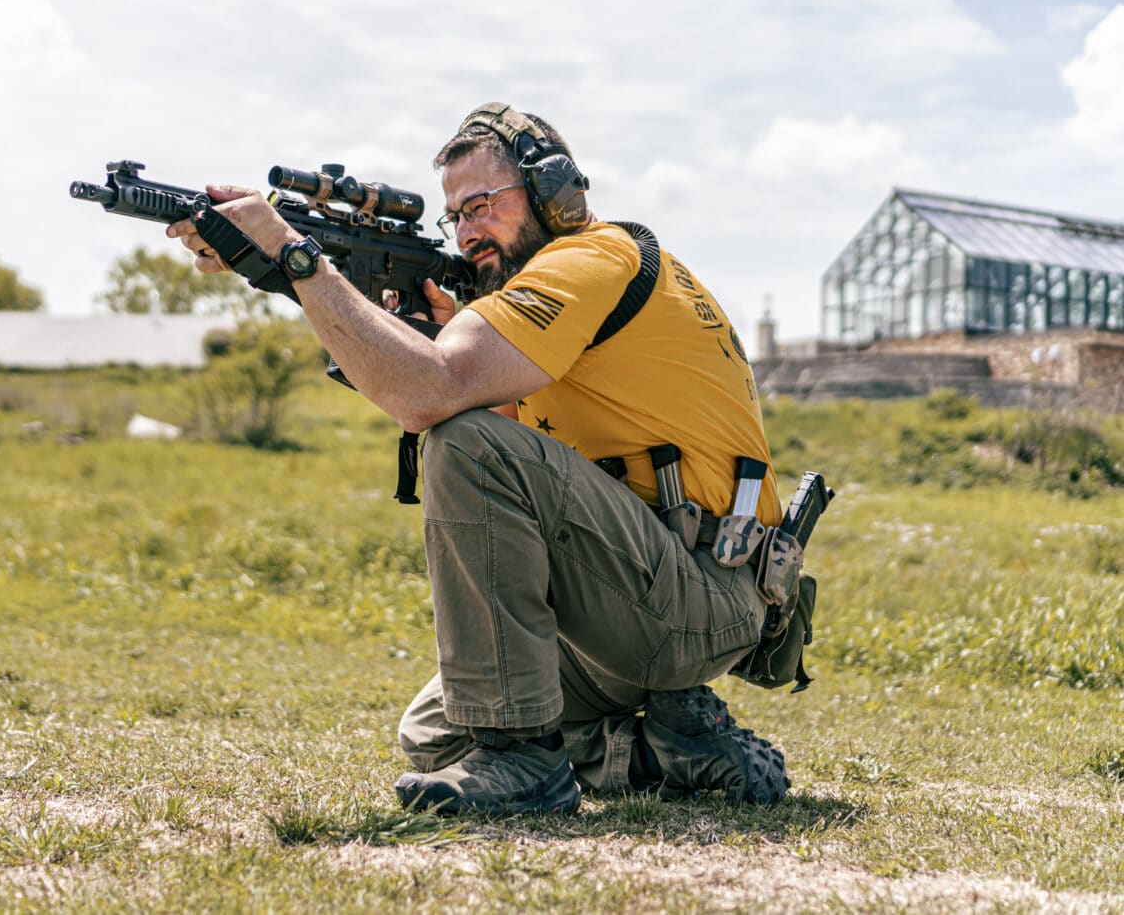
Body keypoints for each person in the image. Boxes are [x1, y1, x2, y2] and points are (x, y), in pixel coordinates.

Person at [168, 103, 790, 815]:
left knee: (458, 444)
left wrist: (298, 257)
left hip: (701, 597)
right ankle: (667, 748)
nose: (467, 232)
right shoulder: (562, 298)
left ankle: (525, 760)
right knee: (437, 734)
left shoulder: (589, 260)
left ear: (556, 192)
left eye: (484, 204)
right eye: (454, 216)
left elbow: (435, 400)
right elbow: (509, 452)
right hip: (634, 598)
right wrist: (293, 274)